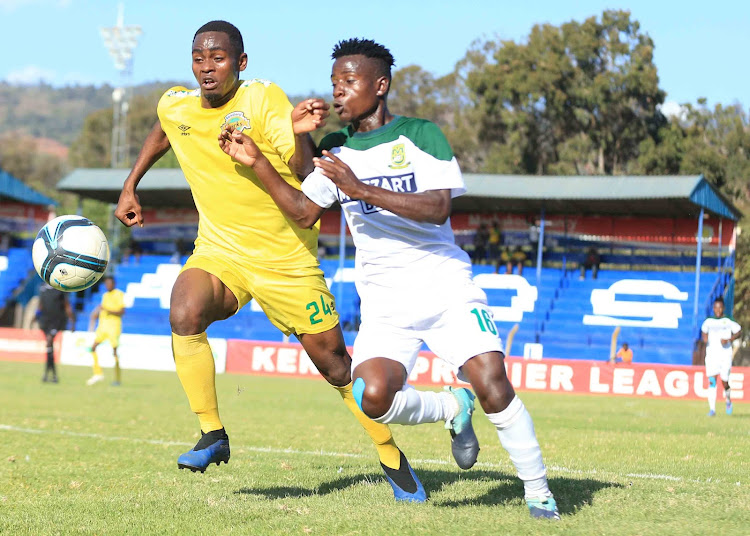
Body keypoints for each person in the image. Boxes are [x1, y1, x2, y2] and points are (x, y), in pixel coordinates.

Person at [219, 37, 559, 519]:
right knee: (371, 397)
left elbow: (438, 207)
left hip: (446, 289)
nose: (338, 92)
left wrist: (359, 188)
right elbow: (302, 211)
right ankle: (450, 408)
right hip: (385, 305)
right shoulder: (335, 148)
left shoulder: (421, 134)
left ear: (379, 86)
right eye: (334, 82)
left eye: (348, 82)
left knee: (493, 382)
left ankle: (538, 491)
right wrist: (259, 160)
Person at [113, 21, 424, 502]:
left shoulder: (262, 100)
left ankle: (390, 454)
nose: (206, 67)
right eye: (199, 57)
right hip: (221, 251)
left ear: (240, 63)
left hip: (286, 259)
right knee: (184, 310)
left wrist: (301, 134)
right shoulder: (176, 103)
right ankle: (212, 434)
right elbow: (165, 128)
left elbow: (303, 171)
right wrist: (131, 183)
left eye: (218, 58)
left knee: (337, 367)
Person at [701, 297, 741, 416]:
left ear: (723, 308)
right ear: (713, 308)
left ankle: (728, 400)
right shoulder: (709, 321)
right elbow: (704, 331)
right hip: (712, 355)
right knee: (712, 380)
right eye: (715, 307)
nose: (717, 310)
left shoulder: (728, 320)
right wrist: (705, 338)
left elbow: (738, 332)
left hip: (725, 355)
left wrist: (729, 339)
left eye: (720, 307)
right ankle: (712, 409)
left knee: (724, 381)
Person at [87, 276, 125, 386]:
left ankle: (117, 379)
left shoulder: (119, 294)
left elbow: (122, 311)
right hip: (103, 327)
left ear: (114, 284)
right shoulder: (105, 295)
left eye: (109, 283)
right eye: (106, 283)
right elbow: (102, 309)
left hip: (114, 327)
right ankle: (98, 373)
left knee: (114, 352)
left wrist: (108, 310)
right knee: (93, 347)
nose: (107, 285)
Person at [37, 283, 75, 383]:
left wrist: (72, 321)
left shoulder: (60, 289)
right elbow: (40, 304)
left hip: (56, 321)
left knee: (49, 343)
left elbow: (67, 305)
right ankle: (51, 375)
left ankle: (49, 374)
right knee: (49, 349)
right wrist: (35, 317)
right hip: (45, 321)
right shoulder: (42, 288)